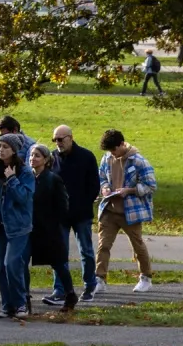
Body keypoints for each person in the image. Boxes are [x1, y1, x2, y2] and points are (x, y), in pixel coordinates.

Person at [96, 128, 157, 292]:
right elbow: (101, 176)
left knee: (137, 245)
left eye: (114, 149)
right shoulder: (107, 158)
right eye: (109, 151)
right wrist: (105, 188)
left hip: (130, 212)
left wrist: (129, 190)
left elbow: (150, 186)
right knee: (103, 246)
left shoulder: (138, 161)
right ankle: (99, 279)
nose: (112, 153)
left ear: (122, 144)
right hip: (110, 210)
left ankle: (146, 277)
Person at [0, 134, 35, 318]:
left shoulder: (25, 172)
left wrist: (12, 179)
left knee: (12, 264)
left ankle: (21, 305)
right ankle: (7, 306)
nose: (1, 150)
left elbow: (25, 198)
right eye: (0, 146)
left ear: (14, 150)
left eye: (5, 147)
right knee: (0, 268)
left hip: (18, 226)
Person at [46, 125, 101, 305]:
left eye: (61, 139)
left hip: (81, 213)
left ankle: (90, 285)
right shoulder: (52, 158)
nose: (58, 143)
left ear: (70, 137)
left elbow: (94, 185)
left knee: (86, 250)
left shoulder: (86, 156)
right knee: (59, 252)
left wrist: (83, 203)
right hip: (60, 215)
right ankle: (60, 289)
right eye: (55, 140)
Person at [28, 143, 78, 312]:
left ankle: (69, 294)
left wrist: (57, 223)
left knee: (58, 263)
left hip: (49, 228)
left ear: (46, 159)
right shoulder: (28, 177)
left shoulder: (52, 179)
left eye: (37, 156)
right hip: (31, 228)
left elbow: (63, 205)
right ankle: (24, 297)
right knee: (21, 261)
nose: (33, 159)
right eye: (31, 155)